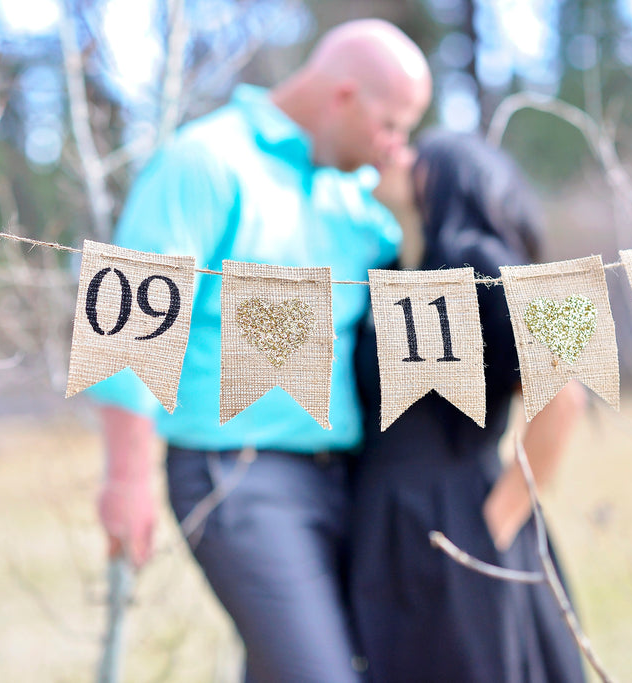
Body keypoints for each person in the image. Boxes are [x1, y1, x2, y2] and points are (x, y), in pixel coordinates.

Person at [86, 19, 432, 683]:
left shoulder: (356, 192)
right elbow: (125, 327)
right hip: (238, 475)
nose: (396, 145)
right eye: (390, 124)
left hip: (347, 477)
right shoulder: (205, 160)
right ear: (344, 97)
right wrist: (124, 479)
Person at [350, 130, 587, 683]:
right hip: (384, 524)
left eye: (415, 152)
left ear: (450, 179)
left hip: (458, 517)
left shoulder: (480, 260)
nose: (394, 152)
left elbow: (564, 398)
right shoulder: (386, 271)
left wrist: (495, 525)